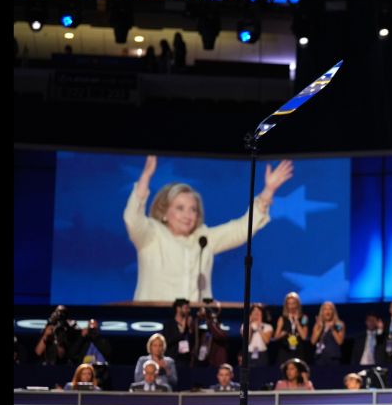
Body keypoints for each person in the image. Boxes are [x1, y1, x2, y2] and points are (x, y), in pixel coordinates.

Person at [123, 154, 293, 302]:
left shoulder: (203, 239)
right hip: (154, 324)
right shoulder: (151, 234)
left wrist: (268, 191)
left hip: (197, 326)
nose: (188, 215)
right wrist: (145, 177)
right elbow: (132, 219)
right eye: (180, 208)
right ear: (164, 211)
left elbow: (240, 229)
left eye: (193, 209)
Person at [273, 291, 311, 365]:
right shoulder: (282, 318)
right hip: (285, 351)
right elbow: (276, 337)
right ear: (286, 305)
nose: (291, 306)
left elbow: (304, 337)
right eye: (289, 304)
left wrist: (297, 322)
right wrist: (283, 334)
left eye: (293, 303)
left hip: (299, 351)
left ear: (297, 304)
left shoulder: (304, 318)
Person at [194, 299, 230, 368]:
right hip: (203, 363)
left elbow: (220, 336)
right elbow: (193, 331)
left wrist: (210, 322)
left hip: (217, 365)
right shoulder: (202, 329)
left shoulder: (223, 329)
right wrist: (199, 317)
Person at [309, 301, 345, 367]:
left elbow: (340, 342)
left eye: (330, 309)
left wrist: (332, 329)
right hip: (320, 358)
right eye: (325, 309)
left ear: (333, 312)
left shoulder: (339, 324)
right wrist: (321, 327)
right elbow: (313, 341)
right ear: (322, 312)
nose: (327, 311)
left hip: (333, 358)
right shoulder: (318, 325)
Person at [164, 299, 196, 366]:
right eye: (186, 308)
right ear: (178, 309)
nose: (188, 310)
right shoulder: (169, 324)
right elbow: (168, 340)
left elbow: (194, 342)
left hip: (186, 360)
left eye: (189, 308)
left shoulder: (189, 324)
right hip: (172, 359)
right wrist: (182, 330)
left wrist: (190, 328)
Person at [242, 303, 275, 368]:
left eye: (258, 311)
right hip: (249, 353)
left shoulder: (268, 326)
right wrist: (249, 324)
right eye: (254, 311)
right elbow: (247, 340)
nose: (256, 313)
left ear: (262, 313)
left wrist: (259, 327)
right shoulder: (245, 326)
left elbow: (266, 341)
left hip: (262, 354)